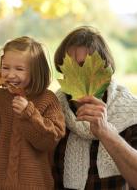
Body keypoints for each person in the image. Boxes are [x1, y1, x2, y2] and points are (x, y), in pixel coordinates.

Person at [0, 36, 65, 189]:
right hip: (1, 184)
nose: (10, 74)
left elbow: (50, 141)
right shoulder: (0, 96)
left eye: (19, 69)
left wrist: (30, 114)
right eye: (5, 67)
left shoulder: (48, 99)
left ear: (36, 71)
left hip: (36, 184)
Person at [53, 26, 137, 189]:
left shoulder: (130, 111)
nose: (78, 75)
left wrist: (106, 132)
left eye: (85, 65)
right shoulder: (52, 109)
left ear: (105, 69)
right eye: (69, 66)